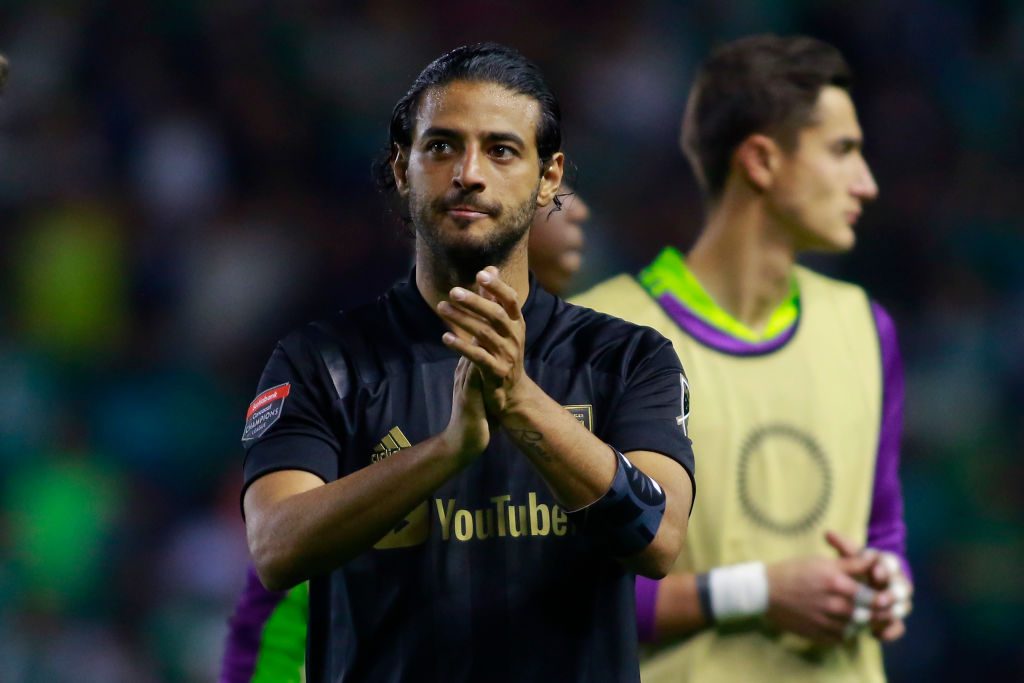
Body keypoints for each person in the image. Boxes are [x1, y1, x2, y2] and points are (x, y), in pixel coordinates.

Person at [240, 42, 694, 683]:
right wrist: (447, 451)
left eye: (501, 150)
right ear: (402, 168)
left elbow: (659, 538)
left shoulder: (627, 360)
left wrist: (521, 400)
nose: (469, 173)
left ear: (549, 178)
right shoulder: (322, 363)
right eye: (441, 146)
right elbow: (275, 547)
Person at [571, 35, 911, 682]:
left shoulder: (866, 328)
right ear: (761, 161)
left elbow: (883, 530)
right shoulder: (599, 334)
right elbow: (558, 588)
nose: (866, 183)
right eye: (842, 150)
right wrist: (756, 592)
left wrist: (886, 583)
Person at [220, 188, 591, 683]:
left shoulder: (600, 367)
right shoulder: (357, 369)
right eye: (557, 201)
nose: (577, 212)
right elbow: (278, 587)